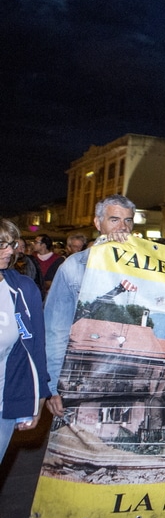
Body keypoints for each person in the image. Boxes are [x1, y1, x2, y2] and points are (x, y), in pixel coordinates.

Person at [45, 194, 136, 419]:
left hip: (126, 373)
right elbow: (56, 329)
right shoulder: (74, 267)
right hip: (84, 371)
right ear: (98, 223)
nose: (123, 227)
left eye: (128, 221)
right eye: (114, 219)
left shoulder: (150, 266)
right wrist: (53, 386)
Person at [0, 219, 48, 460]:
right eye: (1, 244)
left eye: (11, 244)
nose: (10, 251)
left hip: (3, 404)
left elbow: (36, 346)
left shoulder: (23, 289)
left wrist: (39, 396)